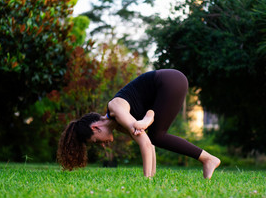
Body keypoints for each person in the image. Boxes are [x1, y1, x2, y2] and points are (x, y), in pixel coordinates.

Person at [57, 69, 220, 179]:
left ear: (95, 128)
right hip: (171, 81)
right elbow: (149, 144)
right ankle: (207, 159)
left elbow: (145, 144)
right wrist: (152, 176)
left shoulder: (115, 108)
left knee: (157, 135)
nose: (102, 144)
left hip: (169, 81)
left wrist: (146, 181)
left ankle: (208, 159)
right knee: (156, 136)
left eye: (96, 141)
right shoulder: (119, 124)